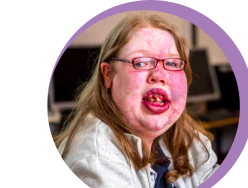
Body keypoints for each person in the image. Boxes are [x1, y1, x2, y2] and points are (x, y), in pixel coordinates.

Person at [54, 13, 219, 188]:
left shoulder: (187, 140)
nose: (160, 75)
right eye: (140, 63)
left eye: (171, 63)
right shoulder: (95, 159)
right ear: (108, 74)